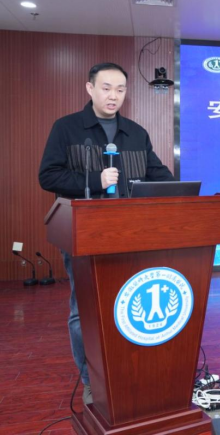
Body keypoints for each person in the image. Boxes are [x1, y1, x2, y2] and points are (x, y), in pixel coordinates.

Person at [38, 63, 174, 404]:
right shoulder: (67, 128)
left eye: (120, 89)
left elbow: (157, 174)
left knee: (127, 303)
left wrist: (184, 190)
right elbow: (48, 176)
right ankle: (91, 379)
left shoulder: (136, 133)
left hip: (131, 234)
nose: (114, 96)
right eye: (106, 88)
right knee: (83, 309)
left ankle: (127, 370)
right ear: (90, 89)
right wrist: (94, 181)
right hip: (83, 232)